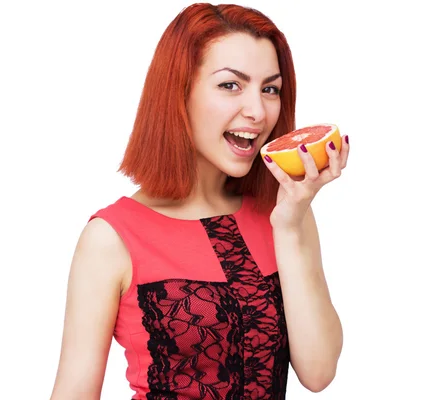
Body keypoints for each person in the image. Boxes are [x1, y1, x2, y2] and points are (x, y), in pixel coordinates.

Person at [50, 3, 349, 399]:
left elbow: (319, 371)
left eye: (270, 89)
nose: (257, 111)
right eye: (230, 85)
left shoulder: (285, 216)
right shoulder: (111, 237)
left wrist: (291, 226)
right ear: (179, 91)